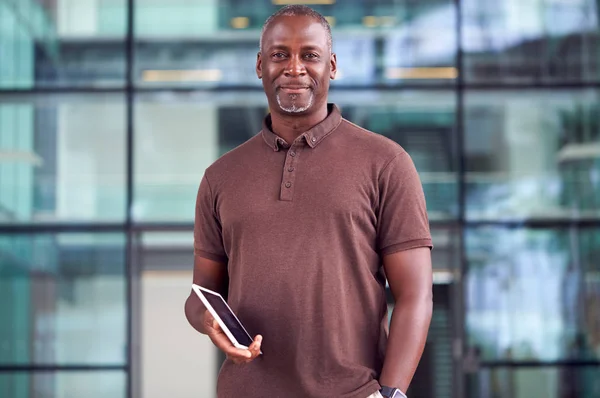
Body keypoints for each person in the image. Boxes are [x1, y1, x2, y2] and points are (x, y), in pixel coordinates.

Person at [184, 5, 433, 398]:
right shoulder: (220, 176)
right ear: (260, 65)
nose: (294, 68)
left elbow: (415, 295)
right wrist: (207, 322)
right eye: (280, 54)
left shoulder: (387, 163)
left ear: (331, 66)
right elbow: (201, 294)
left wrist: (390, 394)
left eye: (310, 55)